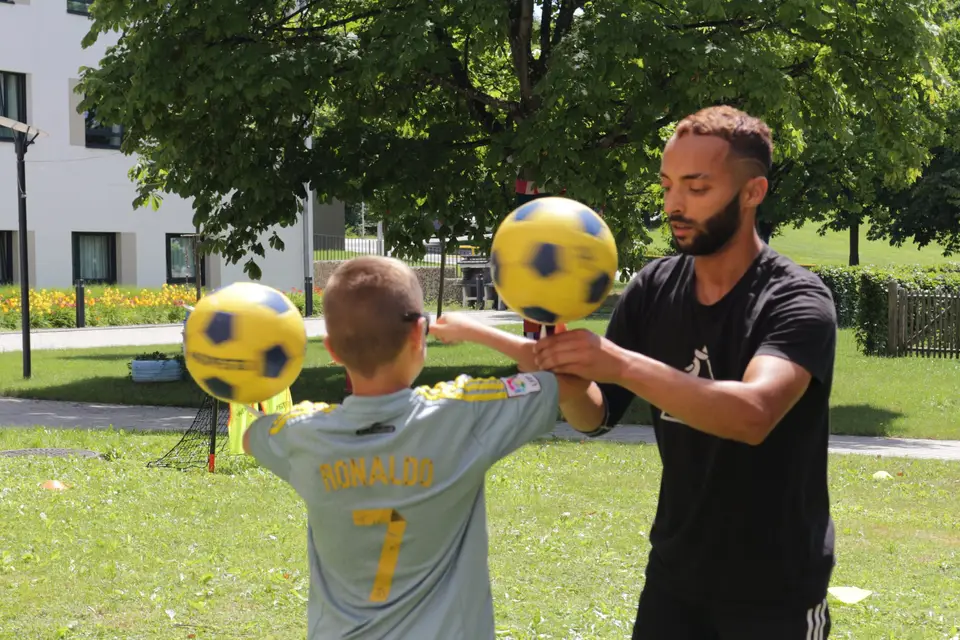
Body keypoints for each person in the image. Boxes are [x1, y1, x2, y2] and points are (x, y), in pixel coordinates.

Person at [532, 105, 839, 639]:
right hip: (675, 582)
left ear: (753, 192)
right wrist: (568, 379)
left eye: (697, 188)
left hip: (777, 592)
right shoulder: (653, 289)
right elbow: (596, 418)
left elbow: (753, 414)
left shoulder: (796, 299)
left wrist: (617, 361)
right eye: (668, 185)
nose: (675, 204)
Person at [242, 255, 582, 640]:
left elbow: (252, 436)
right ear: (419, 335)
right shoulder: (462, 413)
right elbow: (569, 380)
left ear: (333, 350)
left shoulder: (303, 434)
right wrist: (479, 333)